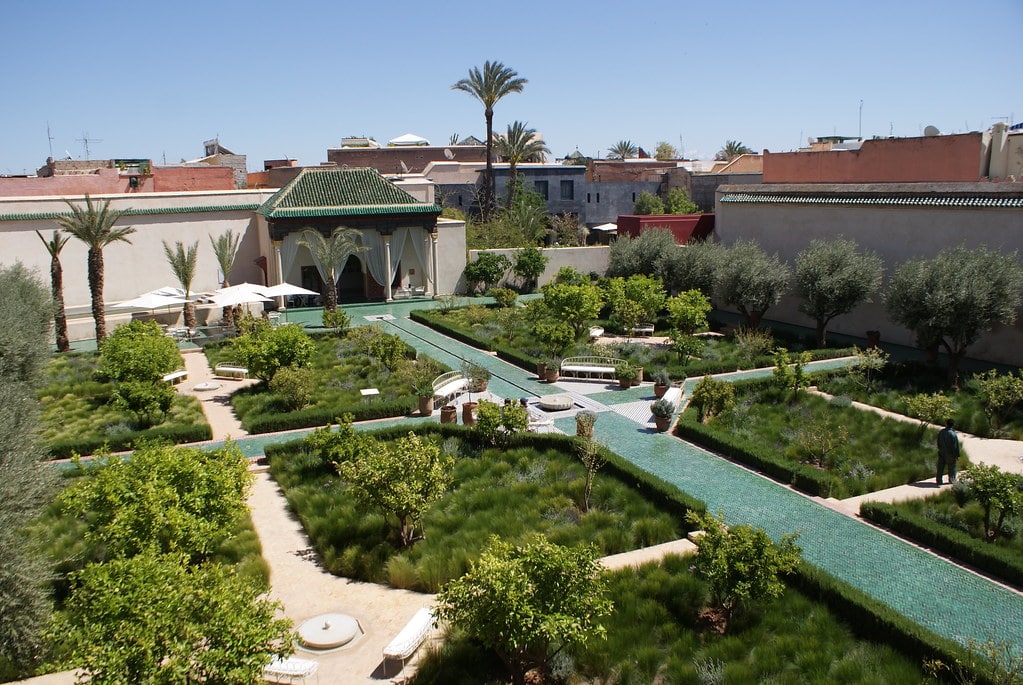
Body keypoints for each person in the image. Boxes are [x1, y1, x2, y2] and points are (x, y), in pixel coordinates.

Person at [936, 419, 960, 485]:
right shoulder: (953, 434)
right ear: (953, 425)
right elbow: (955, 447)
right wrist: (957, 455)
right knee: (952, 467)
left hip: (941, 452)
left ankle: (939, 481)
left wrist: (940, 449)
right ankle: (952, 480)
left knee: (940, 467)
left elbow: (938, 442)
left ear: (946, 424)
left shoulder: (941, 432)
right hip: (950, 454)